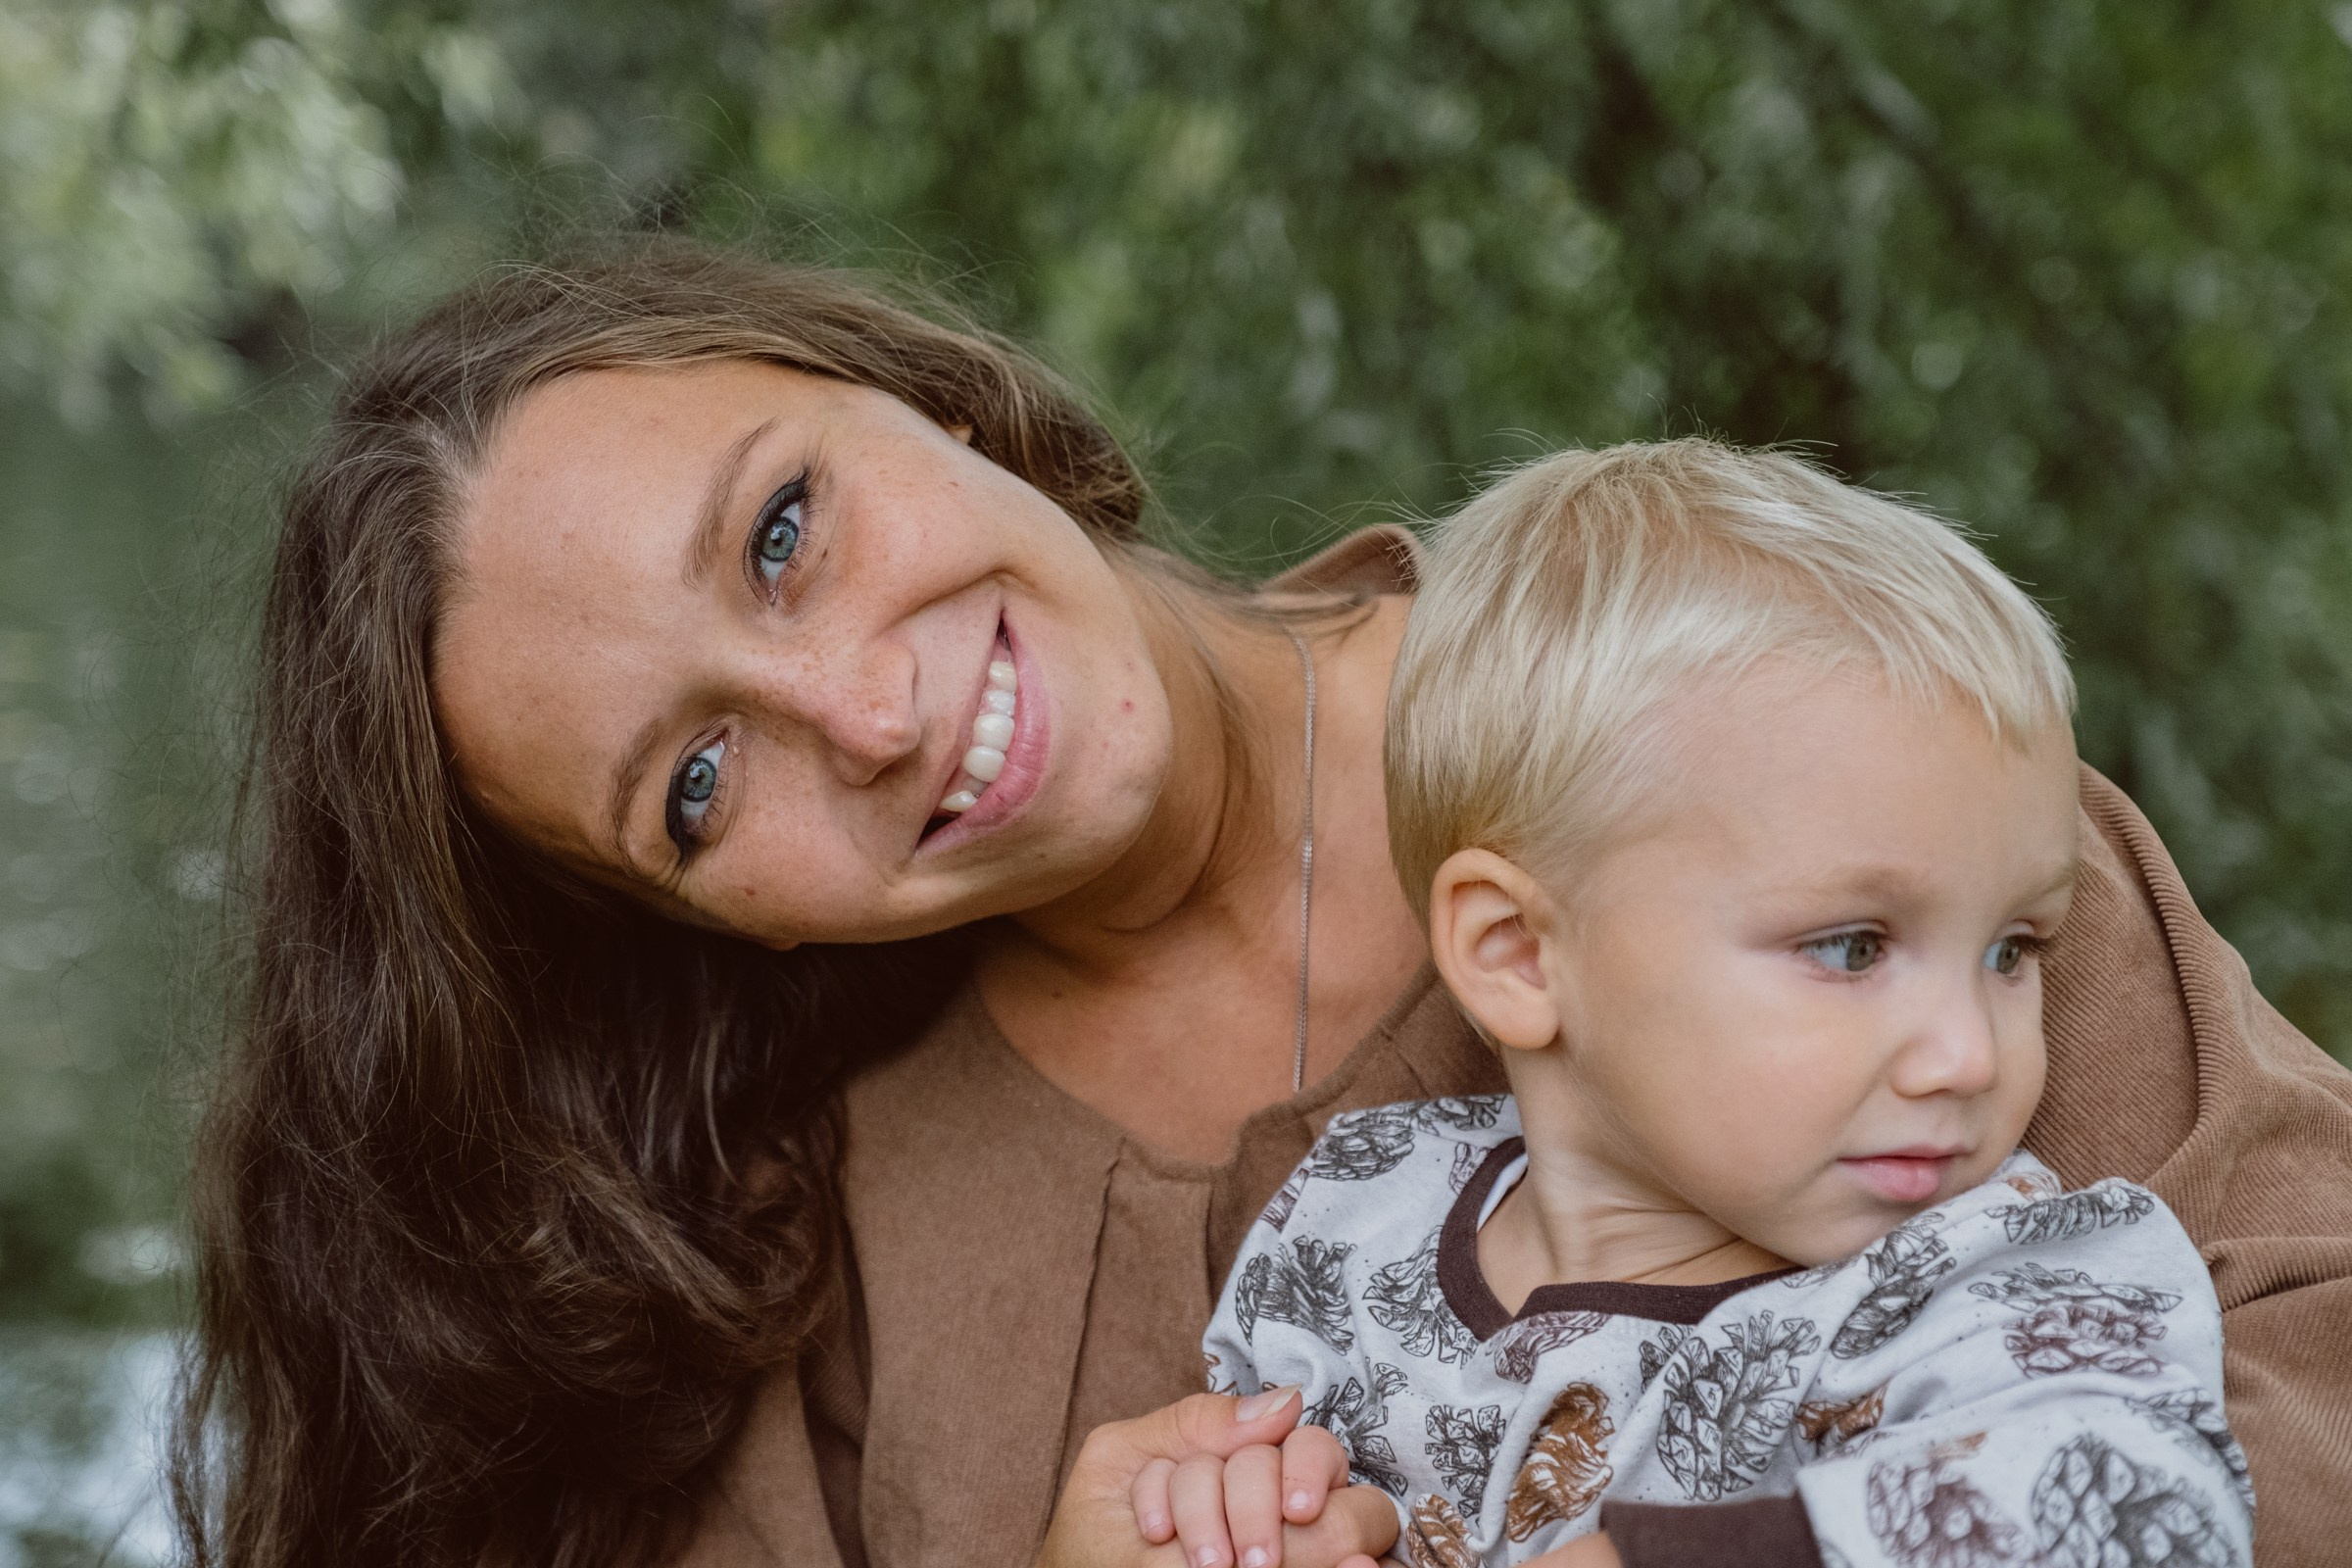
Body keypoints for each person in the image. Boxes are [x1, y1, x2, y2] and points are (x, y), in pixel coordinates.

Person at [173, 244, 2352, 1568]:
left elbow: (2305, 1371)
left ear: (926, 396)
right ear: (713, 921)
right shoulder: (788, 1264)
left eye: (785, 531)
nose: (859, 702)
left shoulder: (1762, 728)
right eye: (701, 783)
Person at [1173, 442, 2250, 1568]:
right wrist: (1238, 1503)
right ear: (1519, 955)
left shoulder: (1988, 1271)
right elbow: (1234, 1457)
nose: (1969, 1056)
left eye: (2011, 949)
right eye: (1851, 946)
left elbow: (2147, 1507)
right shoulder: (1356, 1215)